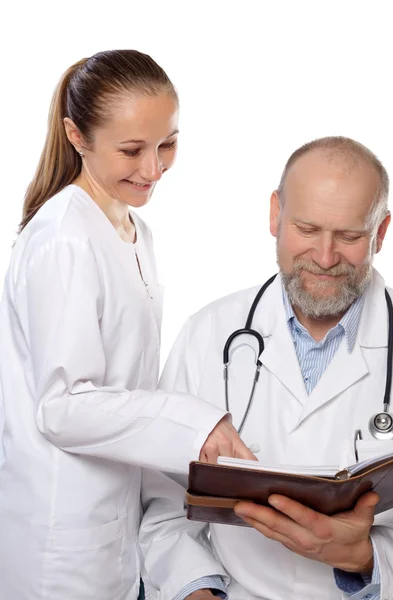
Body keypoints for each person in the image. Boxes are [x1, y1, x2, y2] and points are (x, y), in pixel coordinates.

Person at [138, 136, 393, 599]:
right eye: (307, 229)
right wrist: (195, 591)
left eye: (349, 236)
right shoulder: (209, 335)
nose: (325, 258)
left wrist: (364, 558)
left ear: (380, 233)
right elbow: (163, 505)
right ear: (274, 215)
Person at [0, 49, 254, 600]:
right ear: (77, 136)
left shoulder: (134, 231)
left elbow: (122, 396)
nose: (154, 168)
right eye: (132, 150)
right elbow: (62, 406)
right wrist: (195, 424)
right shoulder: (64, 237)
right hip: (61, 545)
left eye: (168, 144)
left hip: (115, 527)